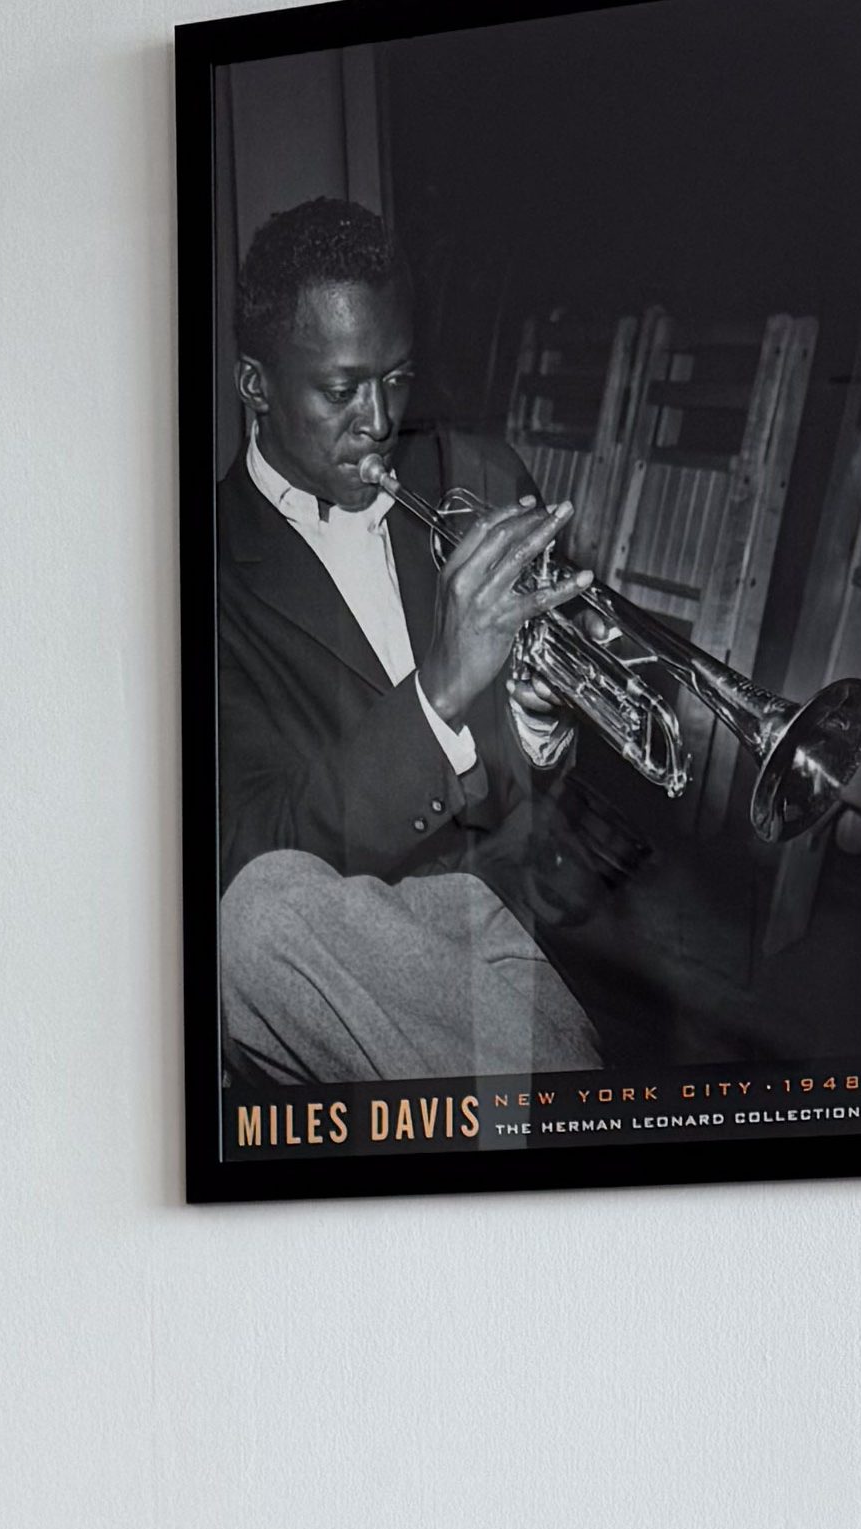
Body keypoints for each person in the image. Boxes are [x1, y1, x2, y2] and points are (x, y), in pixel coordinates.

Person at [213, 197, 605, 1088]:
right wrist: (439, 694)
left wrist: (537, 719)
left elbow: (528, 800)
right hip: (344, 960)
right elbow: (252, 850)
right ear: (255, 386)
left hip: (513, 923)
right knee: (255, 921)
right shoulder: (202, 573)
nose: (381, 420)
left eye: (398, 378)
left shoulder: (479, 475)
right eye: (342, 391)